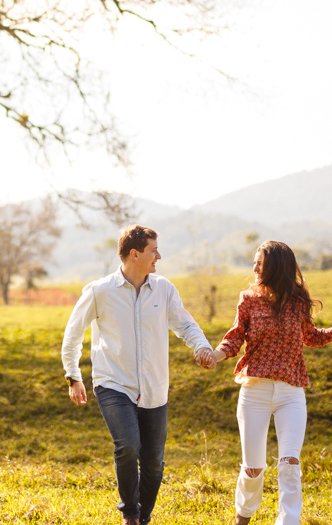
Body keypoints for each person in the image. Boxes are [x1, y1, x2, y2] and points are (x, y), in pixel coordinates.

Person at [200, 240, 332, 525]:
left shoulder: (298, 302)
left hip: (291, 391)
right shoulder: (248, 299)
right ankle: (243, 517)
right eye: (254, 262)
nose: (253, 267)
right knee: (253, 468)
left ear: (275, 267)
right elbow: (235, 337)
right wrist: (215, 355)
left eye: (259, 263)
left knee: (290, 464)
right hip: (255, 391)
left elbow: (311, 336)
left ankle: (288, 521)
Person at [61, 224, 217, 525]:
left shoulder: (164, 289)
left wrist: (201, 348)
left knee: (154, 464)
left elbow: (185, 325)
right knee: (128, 444)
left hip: (155, 388)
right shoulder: (99, 291)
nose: (158, 256)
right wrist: (73, 376)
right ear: (135, 254)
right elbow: (73, 334)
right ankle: (130, 515)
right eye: (153, 250)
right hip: (113, 383)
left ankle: (142, 519)